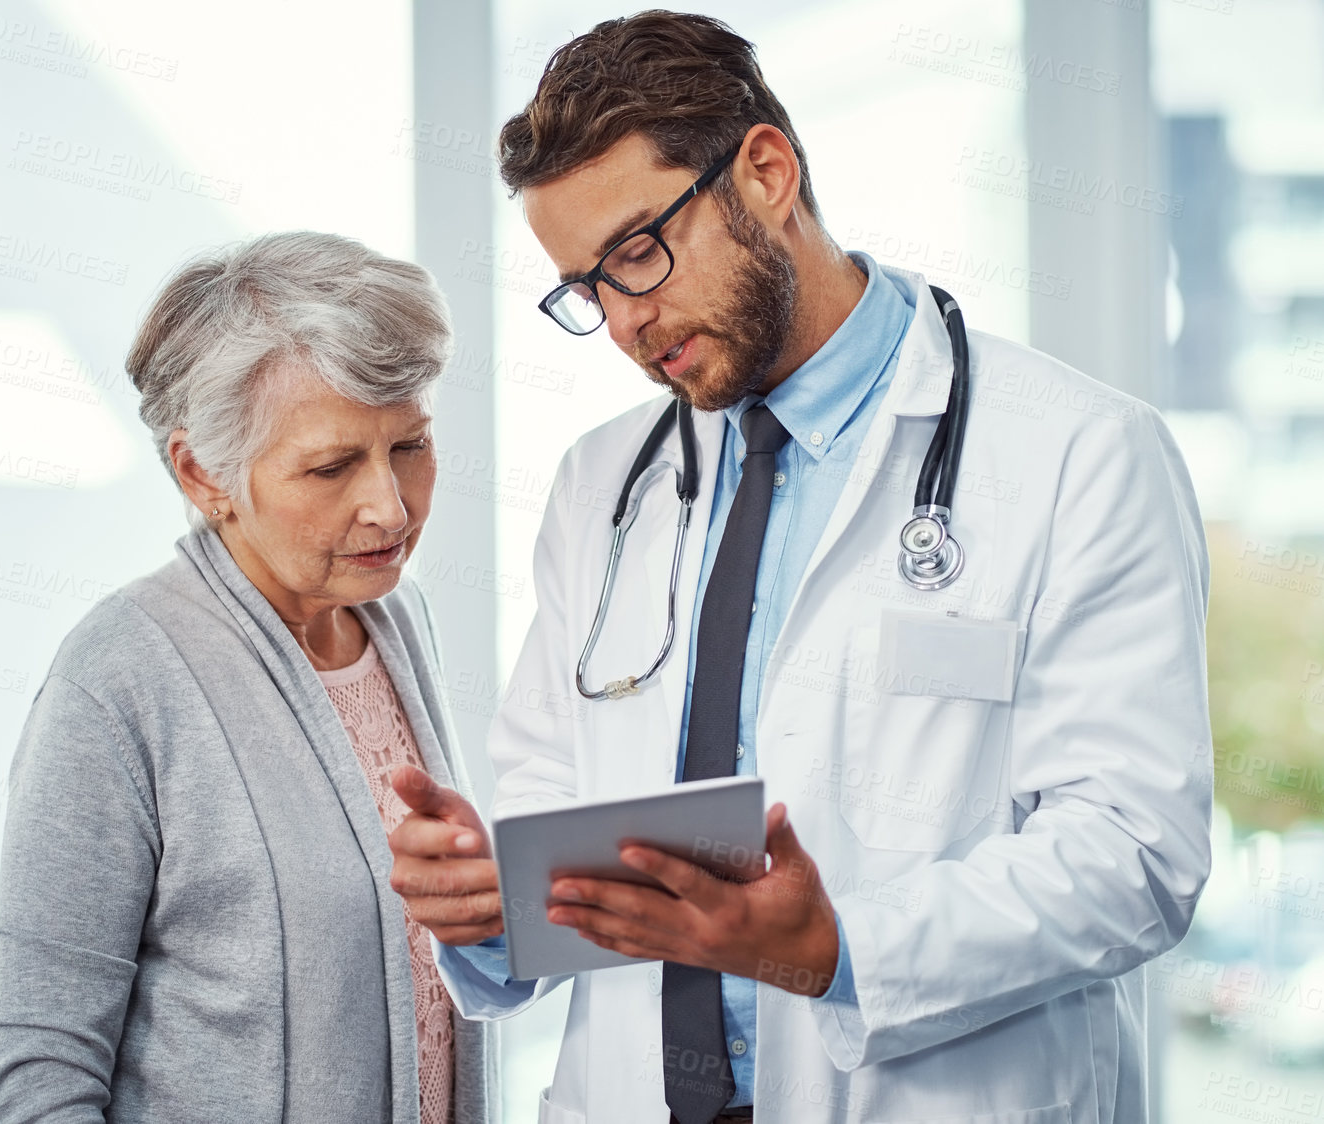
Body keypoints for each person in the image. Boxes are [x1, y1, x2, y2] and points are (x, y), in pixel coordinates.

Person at [386, 12, 1211, 1124]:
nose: (627, 322)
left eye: (638, 252)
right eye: (588, 288)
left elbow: (1133, 854)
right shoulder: (601, 488)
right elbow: (556, 805)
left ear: (765, 172)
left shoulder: (1075, 455)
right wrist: (492, 904)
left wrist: (839, 947)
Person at [0, 231, 498, 1124]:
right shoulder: (118, 679)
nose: (391, 505)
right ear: (202, 472)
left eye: (409, 445)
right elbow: (40, 1077)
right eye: (333, 466)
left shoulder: (396, 619)